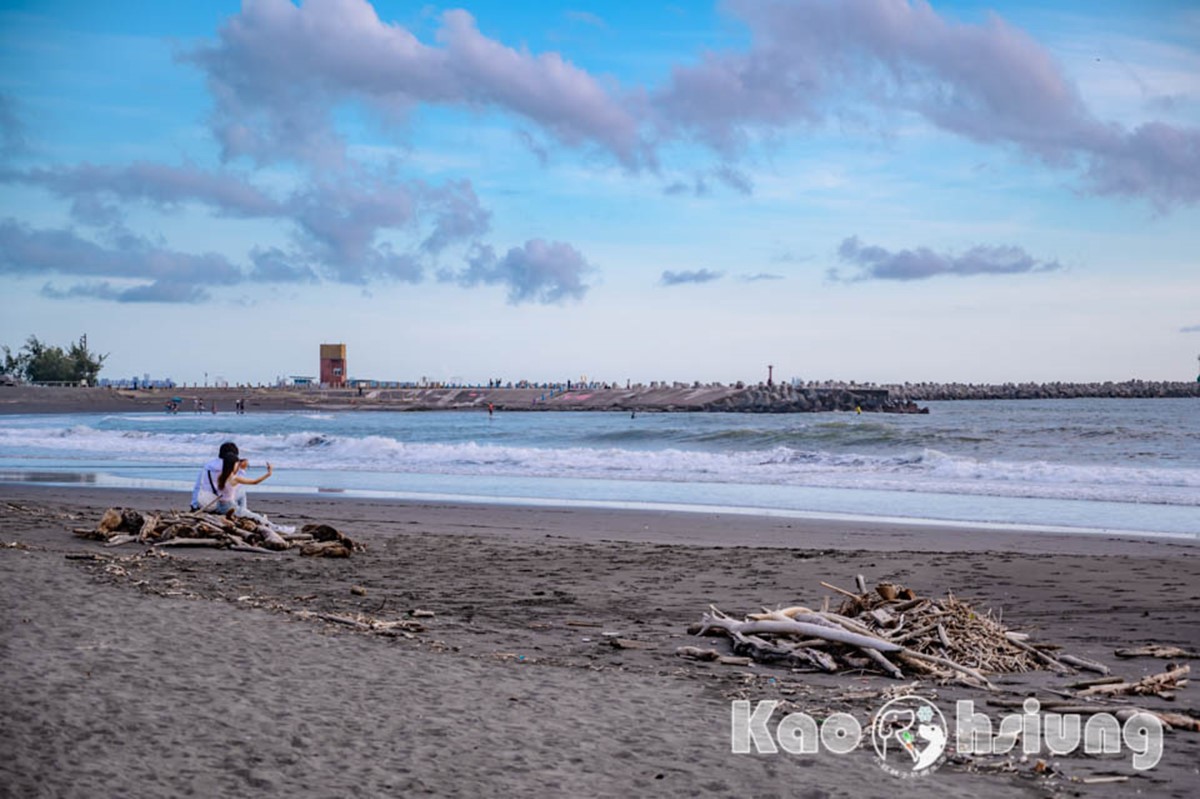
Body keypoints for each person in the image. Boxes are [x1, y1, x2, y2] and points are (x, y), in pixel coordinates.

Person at [191, 442, 239, 511]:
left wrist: (194, 504)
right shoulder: (229, 468)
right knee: (240, 492)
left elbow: (197, 487)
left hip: (200, 504)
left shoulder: (207, 466)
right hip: (215, 506)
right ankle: (240, 510)